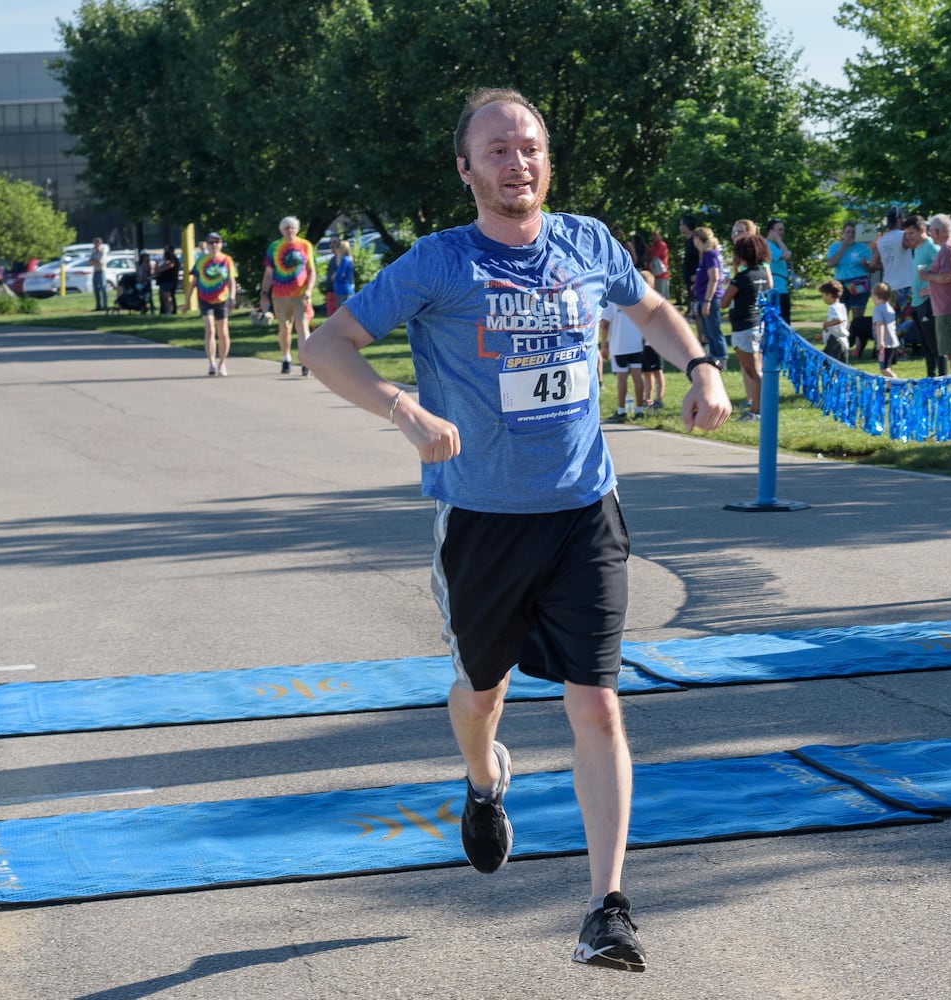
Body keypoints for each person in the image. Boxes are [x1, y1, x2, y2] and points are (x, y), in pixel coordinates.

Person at [301, 87, 731, 973]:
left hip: (584, 510)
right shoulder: (438, 263)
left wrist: (700, 363)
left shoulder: (588, 242)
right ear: (466, 170)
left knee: (598, 702)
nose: (517, 163)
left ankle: (607, 909)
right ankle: (483, 778)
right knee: (481, 690)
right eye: (496, 150)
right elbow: (326, 345)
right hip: (483, 521)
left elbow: (645, 306)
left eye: (529, 146)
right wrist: (401, 410)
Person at [719, 234, 772, 420]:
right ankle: (759, 408)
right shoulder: (763, 275)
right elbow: (769, 288)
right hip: (757, 324)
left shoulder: (741, 278)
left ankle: (756, 411)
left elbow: (724, 303)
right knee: (756, 369)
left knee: (752, 372)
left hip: (743, 326)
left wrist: (733, 277)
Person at [260, 216, 318, 375]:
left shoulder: (305, 245)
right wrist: (264, 293)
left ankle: (305, 362)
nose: (290, 231)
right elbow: (269, 273)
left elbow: (311, 271)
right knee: (284, 328)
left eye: (292, 227)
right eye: (287, 228)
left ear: (297, 229)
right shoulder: (274, 247)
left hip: (300, 294)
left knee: (302, 325)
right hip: (280, 294)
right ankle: (286, 358)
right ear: (282, 230)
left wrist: (309, 290)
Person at [917, 214, 951, 376]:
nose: (929, 234)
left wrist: (926, 276)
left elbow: (949, 276)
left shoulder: (948, 249)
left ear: (938, 231)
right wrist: (930, 288)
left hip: (950, 308)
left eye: (931, 230)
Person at [599, 269, 649, 422]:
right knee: (637, 376)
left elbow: (605, 324)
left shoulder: (613, 299)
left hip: (619, 345)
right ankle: (639, 409)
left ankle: (621, 410)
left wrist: (604, 345)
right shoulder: (638, 297)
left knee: (622, 378)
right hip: (636, 344)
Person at [187, 232, 237, 376]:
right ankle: (211, 363)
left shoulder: (227, 260)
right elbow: (194, 282)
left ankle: (222, 363)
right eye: (211, 242)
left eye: (217, 242)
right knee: (210, 330)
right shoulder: (201, 261)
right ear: (207, 245)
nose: (214, 245)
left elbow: (231, 281)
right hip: (205, 299)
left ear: (221, 244)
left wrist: (232, 298)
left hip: (222, 300)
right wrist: (187, 301)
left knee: (223, 333)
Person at [902, 216, 944, 377]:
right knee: (925, 345)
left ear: (922, 230)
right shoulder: (918, 249)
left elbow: (945, 268)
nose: (908, 237)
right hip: (917, 303)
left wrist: (928, 289)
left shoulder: (930, 247)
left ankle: (943, 377)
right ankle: (930, 377)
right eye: (906, 234)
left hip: (928, 303)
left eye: (911, 233)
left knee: (935, 345)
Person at [691, 226, 728, 363]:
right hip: (704, 297)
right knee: (709, 332)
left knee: (714, 331)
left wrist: (707, 301)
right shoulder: (707, 254)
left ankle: (721, 360)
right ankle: (714, 359)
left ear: (698, 238)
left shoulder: (710, 254)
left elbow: (714, 278)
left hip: (710, 299)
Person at [825, 221, 874, 321]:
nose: (850, 235)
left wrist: (866, 264)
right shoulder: (835, 246)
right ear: (843, 234)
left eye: (853, 232)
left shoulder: (863, 248)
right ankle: (843, 335)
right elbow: (830, 263)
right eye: (848, 232)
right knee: (840, 315)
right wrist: (843, 248)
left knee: (857, 316)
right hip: (840, 283)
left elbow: (871, 269)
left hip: (859, 281)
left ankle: (856, 335)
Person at [766, 219, 794, 322]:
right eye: (779, 230)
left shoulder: (774, 246)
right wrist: (779, 240)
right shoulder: (767, 245)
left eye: (783, 230)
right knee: (782, 323)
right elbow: (786, 254)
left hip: (782, 288)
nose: (782, 233)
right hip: (777, 290)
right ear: (771, 231)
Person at [871, 282, 901, 378]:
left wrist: (880, 342)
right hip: (894, 342)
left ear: (876, 296)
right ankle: (889, 387)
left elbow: (880, 325)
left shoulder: (878, 309)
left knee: (884, 369)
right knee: (889, 366)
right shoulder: (890, 308)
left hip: (886, 343)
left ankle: (898, 384)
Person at [819, 280, 850, 362]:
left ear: (829, 294)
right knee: (842, 367)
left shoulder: (833, 307)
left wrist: (826, 324)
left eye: (823, 295)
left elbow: (839, 319)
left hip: (835, 341)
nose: (823, 298)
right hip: (844, 341)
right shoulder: (842, 306)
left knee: (826, 364)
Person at [325, 239, 356, 315]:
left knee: (344, 314)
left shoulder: (345, 260)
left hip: (343, 290)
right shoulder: (345, 259)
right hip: (341, 290)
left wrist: (334, 276)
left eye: (338, 246)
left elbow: (339, 275)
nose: (336, 248)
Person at [678, 215, 700, 310]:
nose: (679, 227)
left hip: (696, 279)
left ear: (686, 225)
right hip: (689, 280)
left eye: (681, 224)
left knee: (697, 309)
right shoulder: (688, 241)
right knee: (693, 311)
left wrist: (698, 274)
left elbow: (701, 258)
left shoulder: (696, 240)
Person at [154, 245, 180, 315]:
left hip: (169, 281)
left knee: (168, 296)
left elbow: (165, 267)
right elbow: (156, 270)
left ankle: (170, 311)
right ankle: (165, 310)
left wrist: (159, 269)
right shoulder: (163, 260)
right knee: (163, 296)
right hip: (163, 281)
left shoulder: (173, 260)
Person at [646, 230, 670, 299]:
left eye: (656, 235)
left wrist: (648, 255)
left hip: (661, 275)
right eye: (653, 235)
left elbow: (654, 256)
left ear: (660, 235)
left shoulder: (662, 245)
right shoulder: (652, 245)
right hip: (653, 275)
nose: (654, 237)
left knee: (662, 297)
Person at [89, 237, 110, 311]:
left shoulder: (102, 251)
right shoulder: (93, 252)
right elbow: (90, 262)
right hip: (95, 271)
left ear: (99, 243)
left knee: (103, 288)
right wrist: (94, 261)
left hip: (101, 271)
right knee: (96, 289)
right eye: (94, 243)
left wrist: (94, 261)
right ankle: (98, 306)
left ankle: (105, 305)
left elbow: (100, 262)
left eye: (96, 243)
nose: (94, 244)